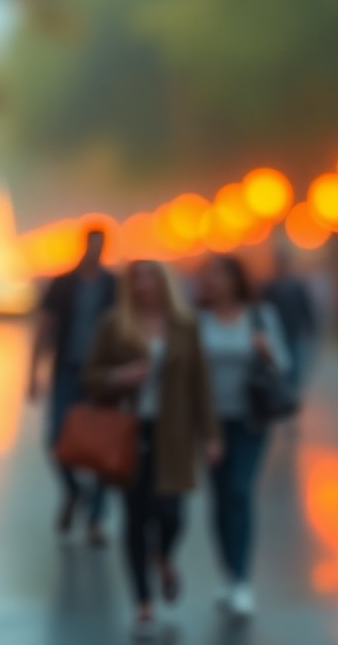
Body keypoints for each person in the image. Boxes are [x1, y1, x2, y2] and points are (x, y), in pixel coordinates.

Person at [84, 259, 221, 640]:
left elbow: (200, 383)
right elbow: (90, 375)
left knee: (173, 512)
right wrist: (118, 376)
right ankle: (143, 601)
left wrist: (210, 435)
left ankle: (163, 555)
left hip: (172, 432)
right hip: (129, 432)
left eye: (150, 278)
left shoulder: (185, 324)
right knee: (135, 515)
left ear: (164, 283)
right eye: (136, 279)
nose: (143, 286)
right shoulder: (115, 324)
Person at [194, 255, 291, 618]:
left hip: (251, 420)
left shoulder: (261, 316)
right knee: (219, 498)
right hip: (211, 422)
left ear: (237, 280)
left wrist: (267, 353)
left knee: (239, 490)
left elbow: (284, 364)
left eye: (221, 276)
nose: (215, 283)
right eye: (210, 276)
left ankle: (242, 580)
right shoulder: (197, 321)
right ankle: (227, 571)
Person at [28, 227, 118, 545]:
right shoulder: (63, 284)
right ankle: (75, 491)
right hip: (67, 368)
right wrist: (33, 371)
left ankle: (96, 517)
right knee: (56, 439)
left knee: (105, 445)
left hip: (104, 373)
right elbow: (45, 326)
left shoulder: (113, 285)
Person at [260, 247, 316, 397]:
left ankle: (292, 393)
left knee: (296, 367)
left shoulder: (297, 286)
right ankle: (282, 392)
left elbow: (306, 307)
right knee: (280, 366)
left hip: (295, 332)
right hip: (277, 334)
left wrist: (310, 326)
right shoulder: (270, 286)